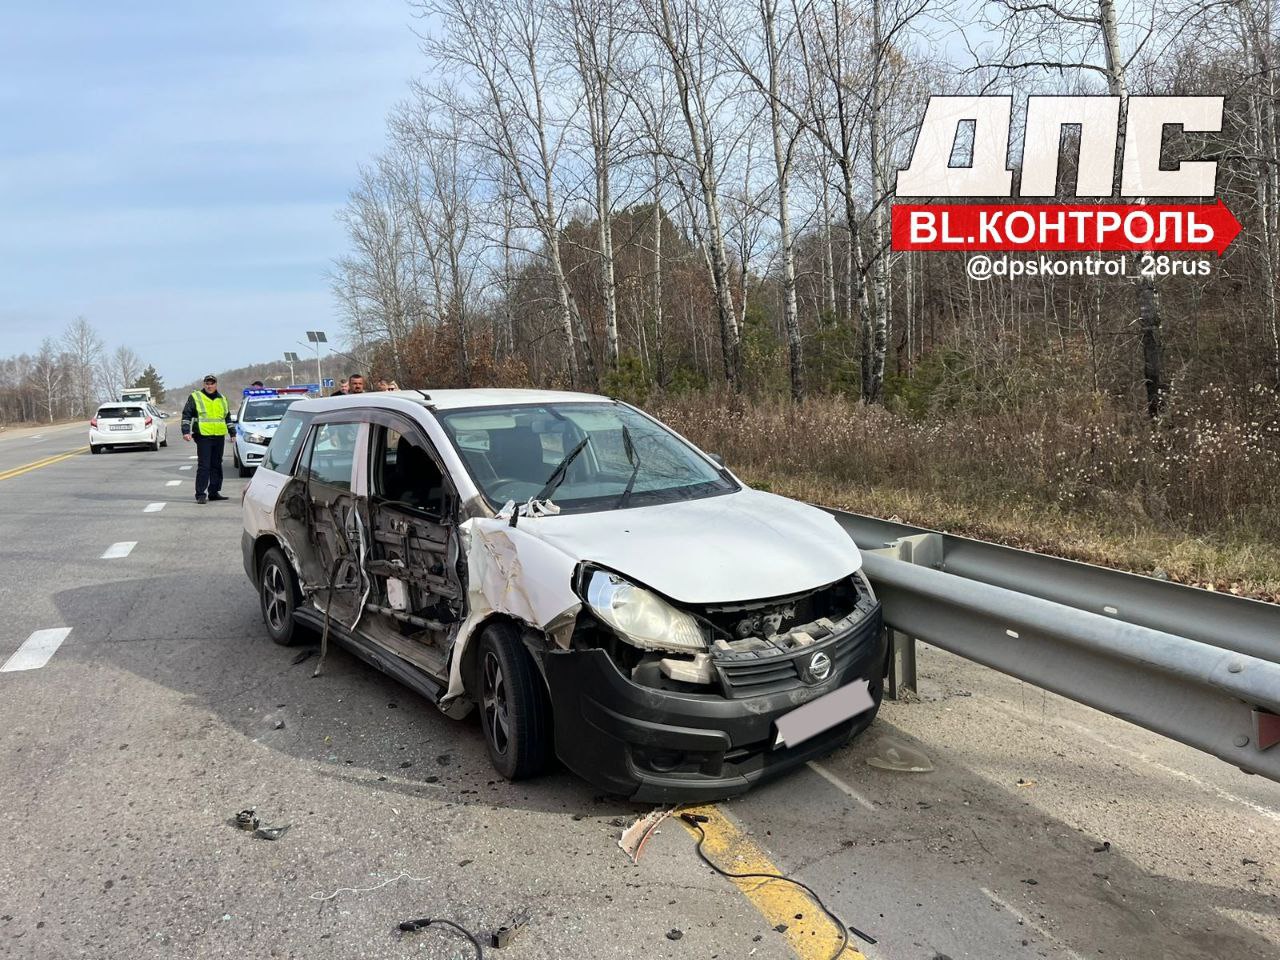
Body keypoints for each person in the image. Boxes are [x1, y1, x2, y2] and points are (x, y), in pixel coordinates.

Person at [181, 375, 233, 504]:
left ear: (216, 384)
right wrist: (186, 431)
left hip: (219, 436)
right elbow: (186, 414)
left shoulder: (223, 399)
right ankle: (200, 494)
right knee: (204, 466)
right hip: (203, 436)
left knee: (216, 465)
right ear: (204, 384)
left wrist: (233, 433)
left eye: (212, 383)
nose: (209, 386)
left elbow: (227, 417)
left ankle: (214, 492)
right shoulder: (196, 397)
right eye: (207, 384)